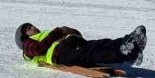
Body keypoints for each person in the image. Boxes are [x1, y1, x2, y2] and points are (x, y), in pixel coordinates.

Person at [15, 23, 147, 68]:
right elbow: (38, 49)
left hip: (72, 43)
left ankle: (131, 41)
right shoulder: (27, 44)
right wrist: (59, 32)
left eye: (31, 25)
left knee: (101, 43)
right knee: (91, 54)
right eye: (27, 28)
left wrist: (71, 32)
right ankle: (126, 54)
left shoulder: (44, 34)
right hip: (61, 53)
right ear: (23, 37)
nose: (32, 27)